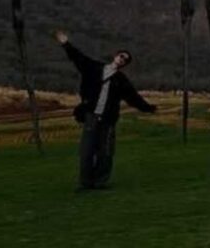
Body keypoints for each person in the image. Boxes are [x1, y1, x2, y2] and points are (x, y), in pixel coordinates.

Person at [55, 30, 157, 189]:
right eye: (121, 56)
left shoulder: (121, 81)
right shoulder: (94, 68)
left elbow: (133, 97)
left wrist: (149, 108)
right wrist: (66, 44)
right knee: (86, 151)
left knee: (106, 151)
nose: (122, 59)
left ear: (125, 64)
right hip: (92, 116)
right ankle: (85, 183)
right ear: (115, 56)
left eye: (125, 59)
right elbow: (78, 58)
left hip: (108, 120)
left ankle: (100, 181)